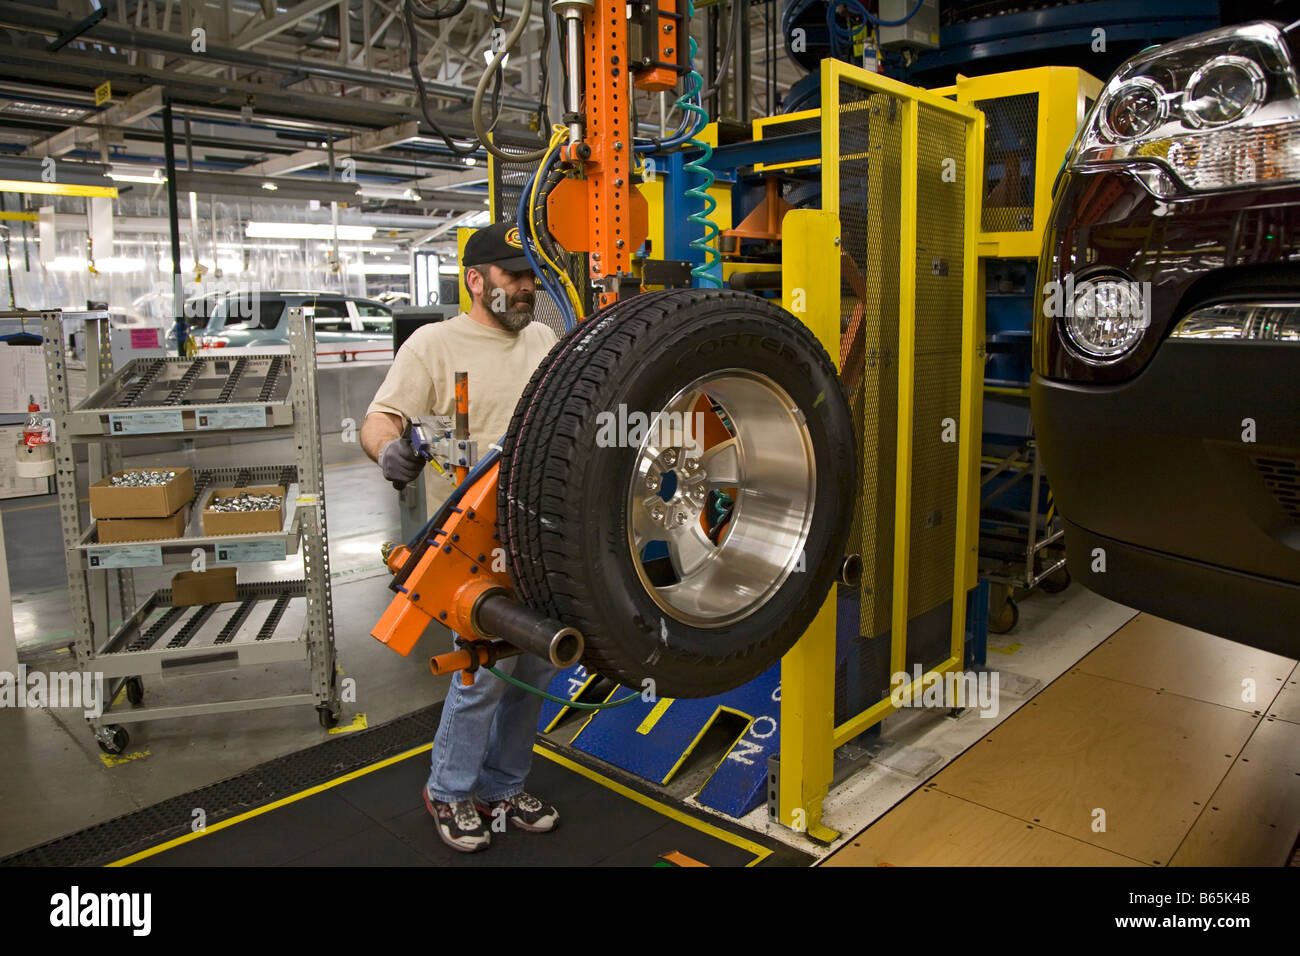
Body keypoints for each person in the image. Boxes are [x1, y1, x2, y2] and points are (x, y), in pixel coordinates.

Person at [360, 222, 560, 853]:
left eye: (530, 275)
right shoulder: (434, 345)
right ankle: (449, 790)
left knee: (535, 667)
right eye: (513, 276)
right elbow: (380, 418)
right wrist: (388, 451)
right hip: (472, 544)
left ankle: (504, 785)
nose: (526, 287)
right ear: (476, 280)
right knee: (483, 673)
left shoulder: (544, 340)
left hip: (542, 537)